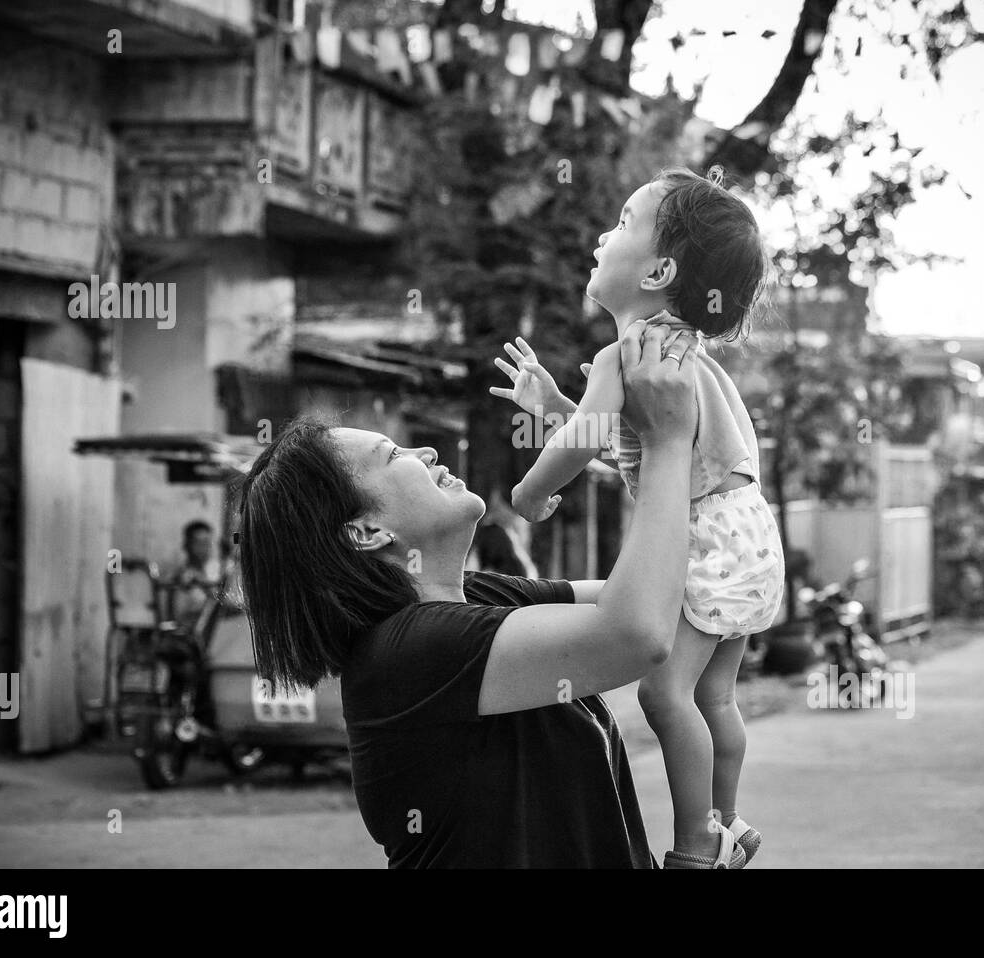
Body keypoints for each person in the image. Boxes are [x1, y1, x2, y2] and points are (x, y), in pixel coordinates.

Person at [234, 320, 705, 868]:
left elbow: (671, 592)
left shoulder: (479, 599)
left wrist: (587, 420)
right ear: (366, 532)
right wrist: (666, 440)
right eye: (393, 456)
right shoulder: (408, 653)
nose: (427, 450)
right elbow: (638, 633)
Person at [491, 167, 784, 868]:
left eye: (622, 222)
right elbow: (634, 444)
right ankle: (731, 818)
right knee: (713, 693)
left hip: (705, 536)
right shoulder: (693, 360)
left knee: (662, 689)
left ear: (658, 269)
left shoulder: (623, 353)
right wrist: (557, 408)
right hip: (748, 534)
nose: (603, 234)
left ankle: (696, 844)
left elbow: (592, 440)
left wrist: (530, 493)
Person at [168, 519, 222, 628]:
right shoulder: (180, 574)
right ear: (187, 545)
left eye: (206, 542)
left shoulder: (220, 570)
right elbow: (176, 615)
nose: (203, 548)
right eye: (198, 543)